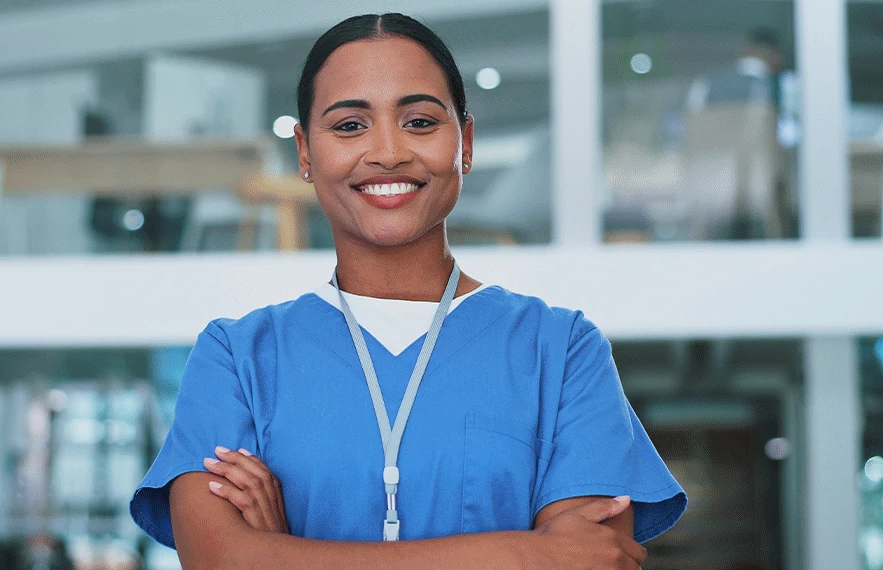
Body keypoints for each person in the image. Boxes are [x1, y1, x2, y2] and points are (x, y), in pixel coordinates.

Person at [126, 13, 685, 569]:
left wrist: (282, 552)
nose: (388, 151)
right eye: (349, 126)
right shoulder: (236, 357)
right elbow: (222, 560)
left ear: (464, 142)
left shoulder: (562, 350)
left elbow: (592, 561)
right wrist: (526, 552)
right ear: (304, 153)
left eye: (419, 122)